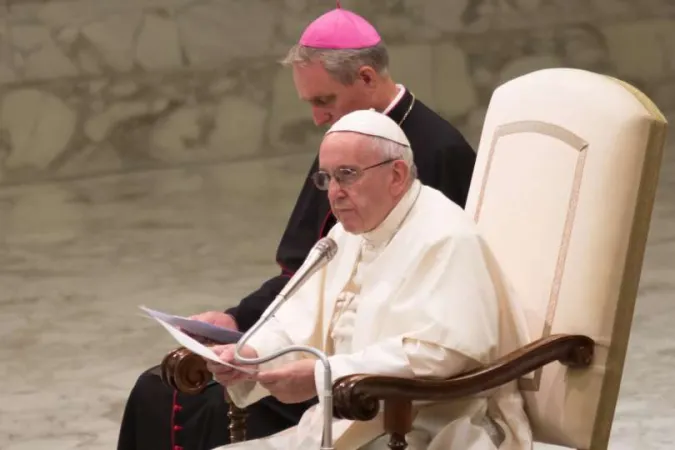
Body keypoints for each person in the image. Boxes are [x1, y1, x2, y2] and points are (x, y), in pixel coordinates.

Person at [116, 6, 477, 450]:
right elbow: (310, 276)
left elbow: (434, 331)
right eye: (330, 179)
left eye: (323, 101)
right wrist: (242, 336)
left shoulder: (439, 162)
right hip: (321, 354)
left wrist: (320, 370)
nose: (316, 119)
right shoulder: (350, 140)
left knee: (193, 403)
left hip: (374, 385)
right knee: (157, 388)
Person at [208, 109, 532, 450]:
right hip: (349, 423)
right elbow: (295, 321)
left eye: (346, 175)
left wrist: (324, 375)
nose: (333, 193)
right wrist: (249, 357)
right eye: (326, 178)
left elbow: (442, 353)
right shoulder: (346, 235)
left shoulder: (446, 237)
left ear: (396, 175)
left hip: (427, 428)